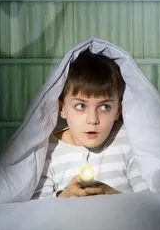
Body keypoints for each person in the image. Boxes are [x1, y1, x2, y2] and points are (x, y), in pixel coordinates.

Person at [32, 49, 149, 199]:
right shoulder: (48, 149)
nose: (92, 120)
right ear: (62, 108)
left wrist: (111, 195)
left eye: (104, 107)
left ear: (118, 110)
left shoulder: (128, 139)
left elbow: (147, 203)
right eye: (81, 106)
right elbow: (36, 207)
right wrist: (64, 196)